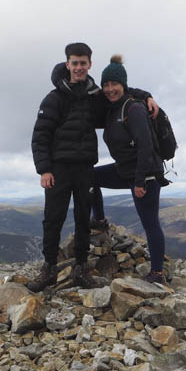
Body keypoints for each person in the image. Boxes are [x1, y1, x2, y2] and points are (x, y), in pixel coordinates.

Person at [29, 43, 156, 292]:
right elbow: (40, 134)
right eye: (74, 63)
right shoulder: (54, 98)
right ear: (67, 64)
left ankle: (80, 269)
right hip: (58, 169)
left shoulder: (94, 97)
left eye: (83, 63)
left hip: (85, 166)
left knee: (82, 219)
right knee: (53, 219)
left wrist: (146, 95)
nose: (78, 67)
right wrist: (44, 169)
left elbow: (119, 95)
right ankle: (49, 269)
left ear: (89, 65)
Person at [91, 55, 169, 284]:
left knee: (150, 222)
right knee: (89, 177)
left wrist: (138, 182)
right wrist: (148, 94)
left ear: (122, 85)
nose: (109, 89)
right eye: (106, 84)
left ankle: (157, 274)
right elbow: (128, 89)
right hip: (125, 169)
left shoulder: (133, 109)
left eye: (114, 84)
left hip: (146, 174)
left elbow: (145, 146)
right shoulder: (113, 107)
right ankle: (99, 220)